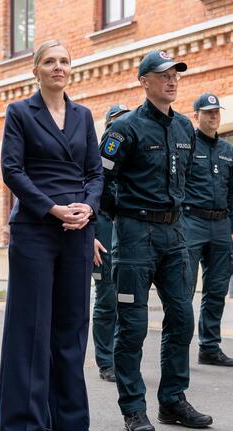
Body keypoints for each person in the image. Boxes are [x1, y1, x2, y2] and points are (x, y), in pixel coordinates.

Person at [0, 39, 102, 431]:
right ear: (35, 70)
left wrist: (89, 207)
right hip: (36, 229)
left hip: (77, 229)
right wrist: (51, 208)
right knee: (31, 330)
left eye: (64, 61)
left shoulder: (84, 115)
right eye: (50, 62)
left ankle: (69, 426)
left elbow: (95, 171)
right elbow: (12, 169)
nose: (58, 67)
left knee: (72, 328)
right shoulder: (20, 112)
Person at [100, 50, 213, 431]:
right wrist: (125, 217)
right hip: (135, 235)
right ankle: (133, 408)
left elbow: (189, 180)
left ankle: (172, 400)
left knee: (182, 317)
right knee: (132, 325)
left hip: (174, 234)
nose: (172, 80)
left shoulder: (184, 128)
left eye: (176, 75)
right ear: (144, 81)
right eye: (163, 75)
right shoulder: (125, 128)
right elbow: (103, 182)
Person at [183, 93, 233, 367]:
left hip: (220, 224)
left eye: (217, 112)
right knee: (184, 288)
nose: (214, 117)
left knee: (217, 288)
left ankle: (210, 346)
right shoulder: (187, 144)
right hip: (191, 221)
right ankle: (178, 348)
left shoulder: (228, 150)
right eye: (208, 112)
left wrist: (232, 226)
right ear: (197, 116)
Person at [92, 103, 129, 383]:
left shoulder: (134, 157)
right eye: (117, 120)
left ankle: (122, 357)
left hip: (129, 227)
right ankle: (106, 361)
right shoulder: (96, 159)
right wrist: (91, 235)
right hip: (103, 225)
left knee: (127, 298)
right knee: (106, 295)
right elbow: (89, 196)